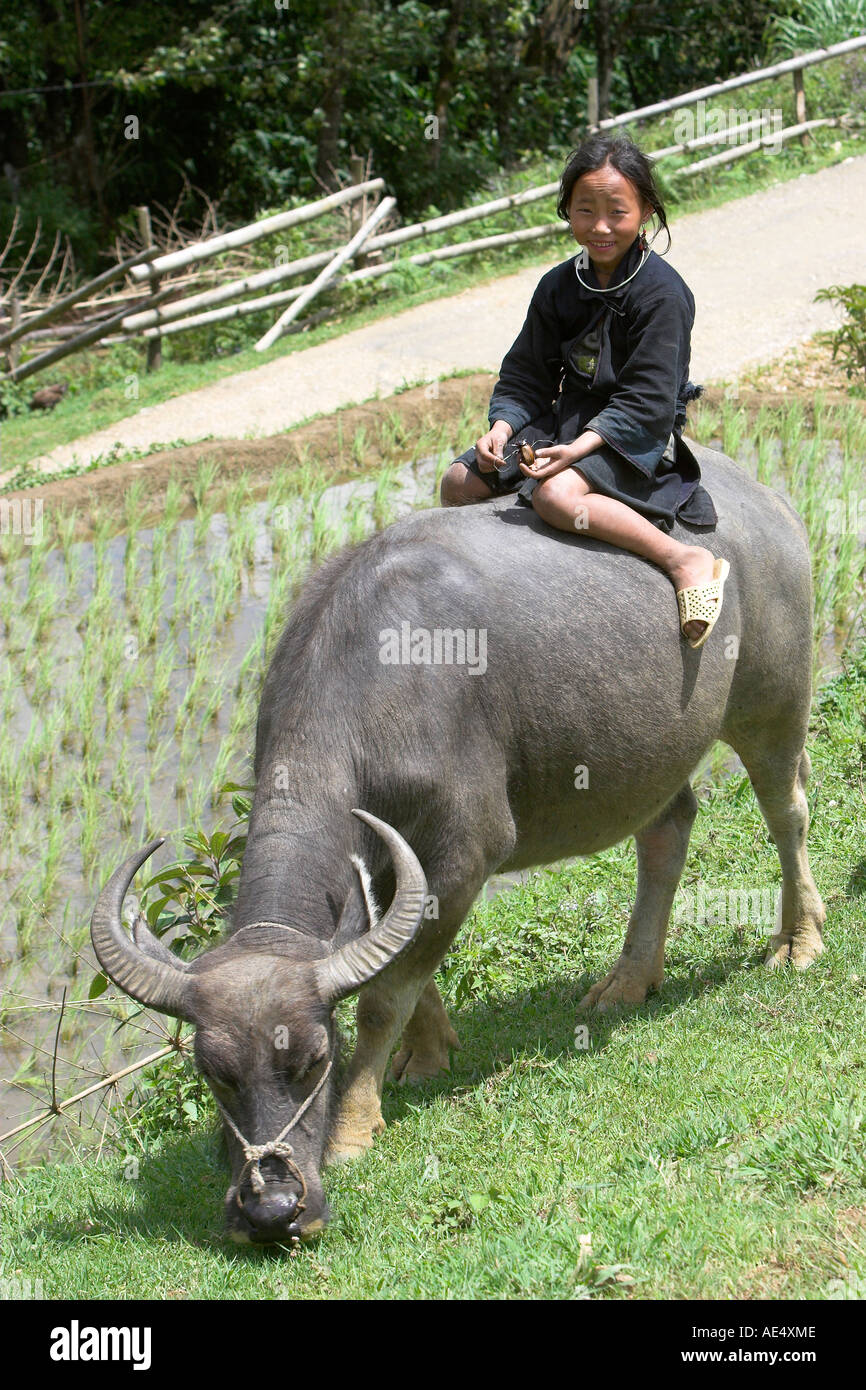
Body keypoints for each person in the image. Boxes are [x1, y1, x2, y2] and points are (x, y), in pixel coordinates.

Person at [439, 134, 730, 648]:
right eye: (584, 211)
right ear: (567, 212)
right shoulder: (557, 285)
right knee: (459, 481)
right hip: (566, 418)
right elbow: (529, 372)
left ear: (644, 212)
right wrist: (502, 428)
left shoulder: (663, 294)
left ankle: (681, 558)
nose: (599, 227)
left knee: (556, 494)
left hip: (635, 432)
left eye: (616, 212)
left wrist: (579, 449)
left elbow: (649, 400)